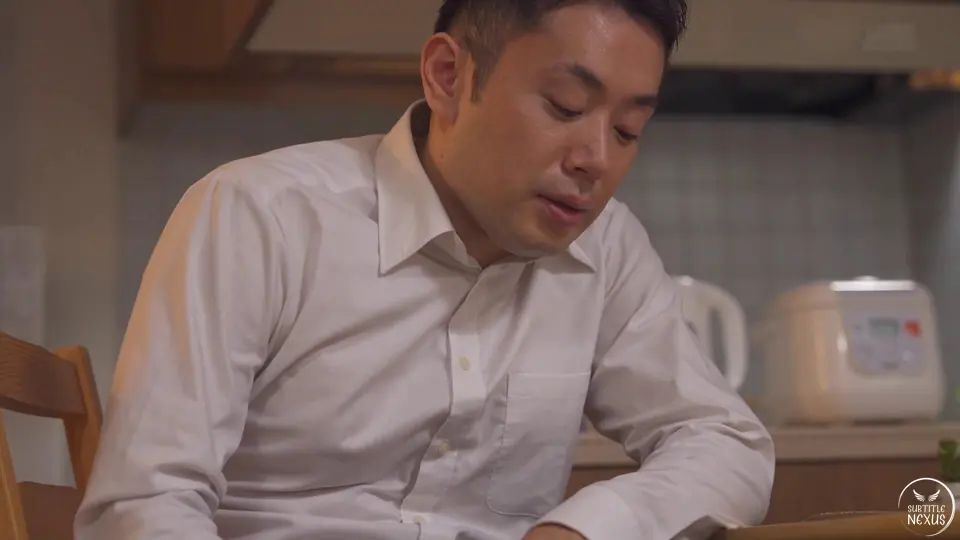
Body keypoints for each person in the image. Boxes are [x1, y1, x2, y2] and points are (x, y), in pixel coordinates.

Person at [75, 0, 775, 539]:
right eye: (565, 107)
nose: (596, 159)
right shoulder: (261, 214)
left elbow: (726, 443)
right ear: (448, 77)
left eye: (627, 131)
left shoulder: (608, 249)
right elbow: (144, 503)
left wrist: (588, 529)